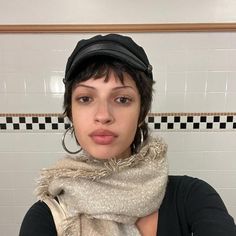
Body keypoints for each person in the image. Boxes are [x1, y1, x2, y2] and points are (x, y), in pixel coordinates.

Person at [19, 34, 236, 236]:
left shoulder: (192, 198)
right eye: (85, 98)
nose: (103, 115)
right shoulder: (47, 217)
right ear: (70, 114)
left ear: (142, 113)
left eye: (122, 99)